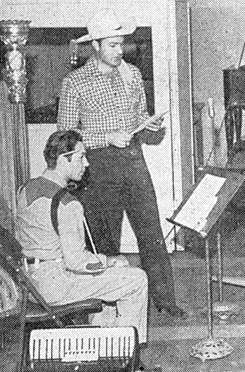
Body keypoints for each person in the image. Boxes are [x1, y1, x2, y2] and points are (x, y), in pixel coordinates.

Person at [57, 9, 186, 318]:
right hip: (98, 166)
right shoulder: (74, 82)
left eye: (121, 44)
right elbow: (65, 135)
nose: (120, 51)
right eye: (113, 45)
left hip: (133, 160)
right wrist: (106, 137)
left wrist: (149, 124)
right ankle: (106, 303)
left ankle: (165, 301)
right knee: (105, 238)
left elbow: (139, 115)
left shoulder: (133, 74)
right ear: (96, 45)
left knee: (151, 232)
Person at [16, 130, 149, 344]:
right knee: (136, 279)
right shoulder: (67, 204)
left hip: (31, 284)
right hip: (56, 285)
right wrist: (111, 261)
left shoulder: (25, 189)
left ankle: (102, 347)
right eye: (81, 157)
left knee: (111, 281)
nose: (86, 164)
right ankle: (128, 351)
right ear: (62, 160)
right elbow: (77, 262)